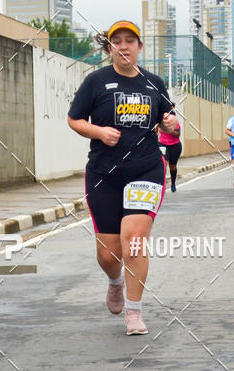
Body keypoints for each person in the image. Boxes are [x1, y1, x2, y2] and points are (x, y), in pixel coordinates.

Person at [68, 20, 177, 336]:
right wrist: (98, 131)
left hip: (146, 169)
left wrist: (170, 126)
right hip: (104, 173)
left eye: (131, 40)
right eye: (118, 41)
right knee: (109, 251)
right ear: (110, 48)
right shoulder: (96, 82)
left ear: (140, 47)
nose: (124, 46)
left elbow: (169, 122)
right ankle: (115, 280)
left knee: (135, 242)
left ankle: (134, 311)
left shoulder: (153, 83)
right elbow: (74, 119)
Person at [159, 103, 181, 192]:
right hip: (163, 145)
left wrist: (170, 130)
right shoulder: (160, 121)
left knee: (173, 166)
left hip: (175, 146)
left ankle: (173, 183)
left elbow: (177, 134)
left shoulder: (175, 123)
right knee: (163, 164)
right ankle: (162, 185)